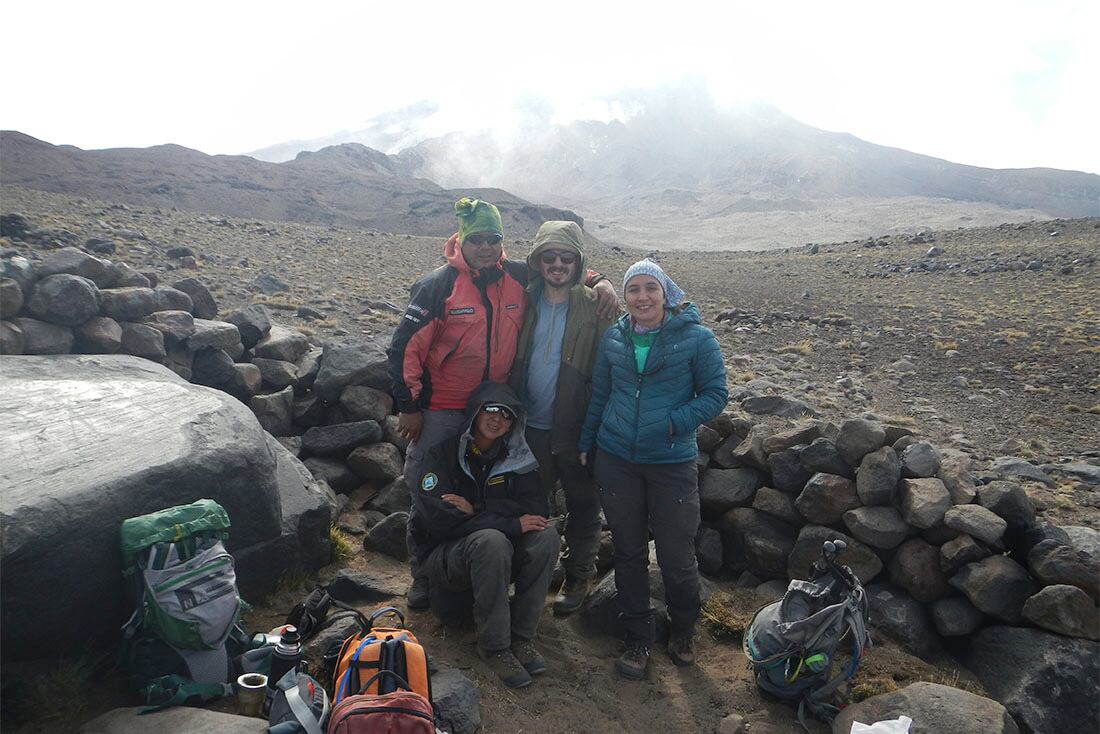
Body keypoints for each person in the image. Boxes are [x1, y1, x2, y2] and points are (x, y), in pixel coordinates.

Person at [388, 198, 616, 609]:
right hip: (445, 408)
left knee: (517, 494)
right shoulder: (438, 284)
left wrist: (603, 282)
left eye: (494, 238)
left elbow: (567, 268)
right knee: (429, 489)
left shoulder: (516, 276)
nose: (487, 246)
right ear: (460, 239)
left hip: (497, 413)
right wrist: (408, 405)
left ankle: (509, 572)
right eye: (477, 238)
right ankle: (426, 574)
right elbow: (403, 346)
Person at [578, 258, 728, 680]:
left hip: (670, 463)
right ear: (624, 297)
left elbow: (716, 393)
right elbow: (600, 397)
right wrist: (588, 443)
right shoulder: (614, 339)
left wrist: (673, 422)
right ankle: (637, 637)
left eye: (650, 288)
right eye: (634, 289)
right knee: (627, 553)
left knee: (677, 556)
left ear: (666, 293)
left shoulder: (697, 339)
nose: (642, 297)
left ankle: (683, 631)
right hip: (616, 460)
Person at [410, 381, 560, 689]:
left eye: (506, 414)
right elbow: (439, 519)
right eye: (491, 409)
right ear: (475, 413)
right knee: (491, 540)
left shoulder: (518, 461)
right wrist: (508, 521)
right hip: (447, 559)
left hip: (497, 555)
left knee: (546, 537)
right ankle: (495, 647)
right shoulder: (442, 455)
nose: (497, 419)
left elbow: (536, 510)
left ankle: (521, 638)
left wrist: (476, 507)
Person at [508, 220, 616, 615]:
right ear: (537, 261)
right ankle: (527, 578)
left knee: (584, 504)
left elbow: (613, 366)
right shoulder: (522, 297)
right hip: (528, 426)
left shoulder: (595, 304)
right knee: (529, 506)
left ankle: (578, 576)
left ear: (577, 261)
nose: (557, 264)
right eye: (549, 256)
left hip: (577, 427)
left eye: (566, 257)